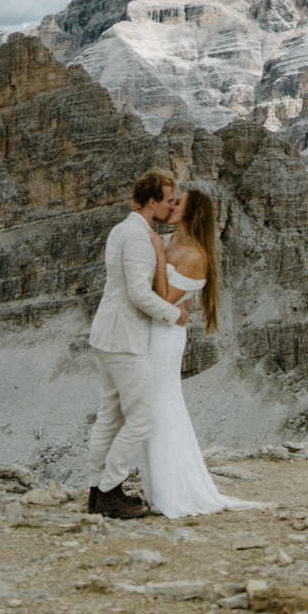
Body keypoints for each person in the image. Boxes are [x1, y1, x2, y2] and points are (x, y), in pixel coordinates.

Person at [138, 187, 271, 518]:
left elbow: (164, 298)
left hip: (165, 337)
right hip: (149, 332)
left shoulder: (196, 255)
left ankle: (173, 491)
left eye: (177, 202)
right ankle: (156, 488)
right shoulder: (168, 242)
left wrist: (156, 253)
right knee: (147, 405)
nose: (170, 206)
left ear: (192, 212)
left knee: (163, 405)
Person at [84, 168, 184, 519]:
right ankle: (111, 492)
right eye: (169, 201)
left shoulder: (121, 228)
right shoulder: (140, 237)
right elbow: (139, 293)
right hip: (124, 339)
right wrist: (175, 315)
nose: (172, 207)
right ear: (153, 201)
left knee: (110, 417)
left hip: (107, 334)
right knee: (142, 419)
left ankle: (96, 492)